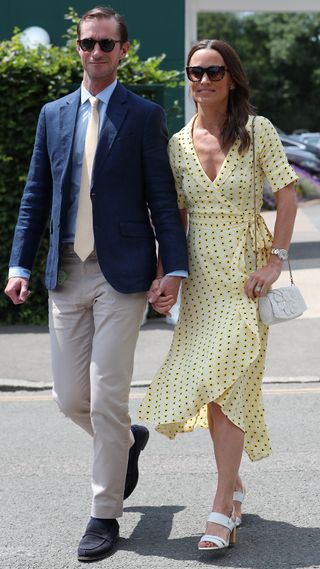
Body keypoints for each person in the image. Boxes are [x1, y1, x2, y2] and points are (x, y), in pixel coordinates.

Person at [4, 6, 188, 562]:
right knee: (69, 399)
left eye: (108, 44)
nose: (97, 52)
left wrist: (173, 269)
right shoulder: (52, 114)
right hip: (66, 272)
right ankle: (127, 442)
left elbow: (160, 196)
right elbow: (37, 194)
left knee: (108, 395)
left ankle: (103, 514)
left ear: (123, 51)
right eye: (89, 43)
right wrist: (18, 265)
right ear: (78, 48)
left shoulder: (143, 114)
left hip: (123, 275)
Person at [138, 39, 298, 552]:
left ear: (232, 78)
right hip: (202, 278)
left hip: (246, 274)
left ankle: (220, 504)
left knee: (230, 384)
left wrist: (276, 260)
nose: (203, 81)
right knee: (213, 389)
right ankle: (232, 488)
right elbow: (177, 216)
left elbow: (288, 192)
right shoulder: (179, 142)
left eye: (213, 71)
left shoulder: (258, 131)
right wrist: (169, 273)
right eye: (194, 72)